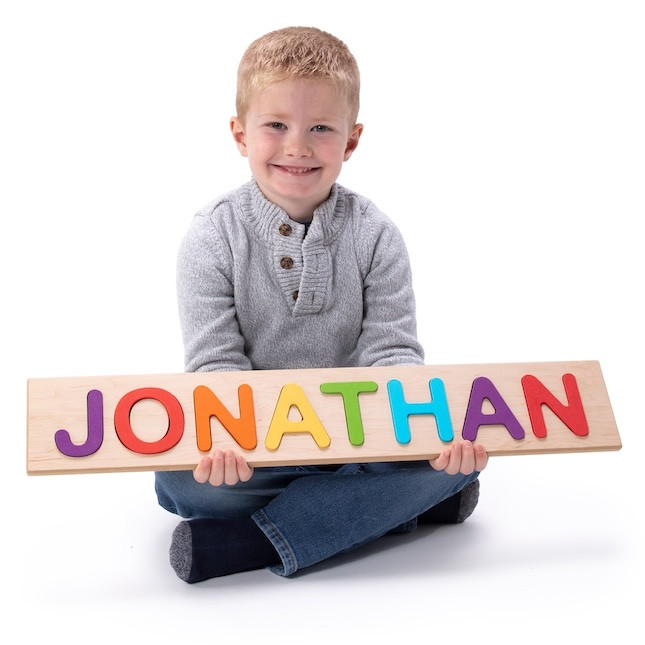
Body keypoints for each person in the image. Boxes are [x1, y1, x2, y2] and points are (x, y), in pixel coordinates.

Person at [155, 26, 488, 584]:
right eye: (276, 125)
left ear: (350, 142)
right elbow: (215, 363)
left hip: (362, 438)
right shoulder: (211, 237)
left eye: (320, 129)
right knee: (181, 483)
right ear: (240, 134)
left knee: (462, 455)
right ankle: (400, 505)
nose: (297, 147)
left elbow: (392, 352)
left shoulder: (376, 234)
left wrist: (429, 437)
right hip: (259, 450)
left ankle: (251, 542)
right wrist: (227, 446)